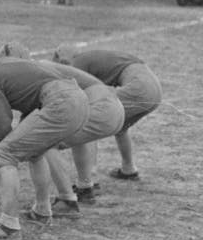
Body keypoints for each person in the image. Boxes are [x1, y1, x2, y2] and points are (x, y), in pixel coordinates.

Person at [0, 39, 90, 240]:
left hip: (60, 101)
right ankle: (42, 211)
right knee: (35, 153)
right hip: (77, 99)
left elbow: (1, 124)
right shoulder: (2, 65)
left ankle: (8, 224)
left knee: (3, 154)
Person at [0, 41, 125, 216]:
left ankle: (67, 200)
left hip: (101, 106)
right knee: (71, 136)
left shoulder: (35, 71)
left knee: (43, 143)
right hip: (112, 107)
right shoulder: (40, 68)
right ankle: (85, 187)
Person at [53, 45, 162, 193]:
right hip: (154, 87)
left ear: (62, 57)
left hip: (138, 87)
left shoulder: (78, 62)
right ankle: (128, 169)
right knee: (121, 126)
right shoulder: (94, 57)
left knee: (85, 122)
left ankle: (86, 183)